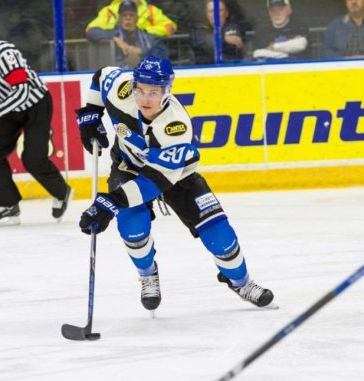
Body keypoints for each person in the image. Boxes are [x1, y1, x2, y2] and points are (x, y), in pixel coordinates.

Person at [75, 56, 275, 313]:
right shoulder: (121, 90)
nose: (145, 98)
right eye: (140, 90)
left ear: (167, 91)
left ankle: (241, 282)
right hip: (128, 166)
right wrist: (91, 114)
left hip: (177, 177)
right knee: (132, 226)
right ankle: (148, 275)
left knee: (220, 237)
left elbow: (154, 182)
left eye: (154, 92)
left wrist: (109, 203)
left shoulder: (175, 127)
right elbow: (101, 74)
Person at [0, 13, 73, 227]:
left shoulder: (3, 52)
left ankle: (61, 191)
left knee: (32, 159)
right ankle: (8, 205)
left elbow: (23, 91)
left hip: (36, 103)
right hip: (7, 107)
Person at [86, 0, 168, 68]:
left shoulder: (148, 37)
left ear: (137, 18)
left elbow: (161, 62)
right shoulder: (113, 33)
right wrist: (116, 39)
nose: (128, 18)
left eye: (131, 15)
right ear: (118, 19)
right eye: (124, 15)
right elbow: (91, 32)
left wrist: (142, 51)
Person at [190, 0, 245, 64]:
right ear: (206, 15)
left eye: (220, 10)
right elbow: (205, 43)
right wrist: (224, 39)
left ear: (226, 13)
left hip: (232, 70)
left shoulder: (233, 26)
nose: (215, 14)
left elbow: (235, 43)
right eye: (211, 11)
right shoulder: (198, 30)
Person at [86, 0, 177, 38]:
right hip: (114, 59)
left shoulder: (150, 10)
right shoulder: (108, 11)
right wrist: (116, 35)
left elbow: (169, 27)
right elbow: (90, 30)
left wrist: (142, 32)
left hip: (146, 57)